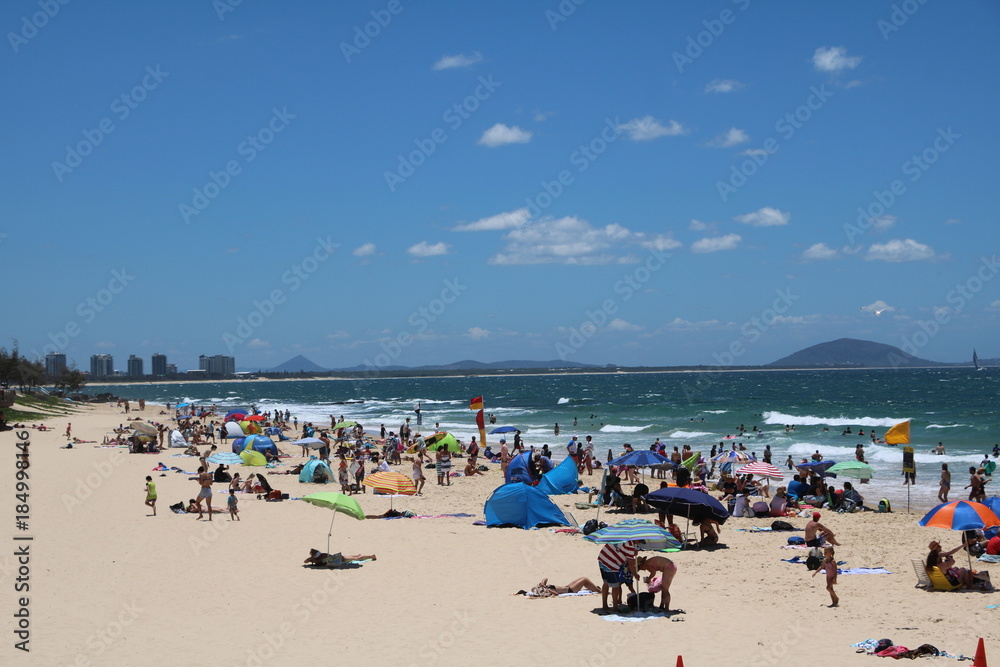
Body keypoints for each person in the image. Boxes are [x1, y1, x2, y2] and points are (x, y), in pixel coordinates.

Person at [597, 540, 638, 613]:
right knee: (615, 585)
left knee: (606, 583)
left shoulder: (619, 537)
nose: (639, 543)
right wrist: (635, 574)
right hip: (611, 563)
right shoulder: (630, 545)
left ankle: (604, 605)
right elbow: (631, 563)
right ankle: (615, 607)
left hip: (602, 557)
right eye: (640, 541)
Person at [524, 577, 601, 597]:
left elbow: (545, 578)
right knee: (584, 579)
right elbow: (556, 594)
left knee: (581, 578)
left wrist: (543, 583)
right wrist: (548, 590)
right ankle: (599, 591)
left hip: (567, 586)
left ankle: (596, 589)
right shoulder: (546, 592)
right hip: (571, 590)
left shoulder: (543, 587)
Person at [304, 549, 376, 567]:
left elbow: (315, 562)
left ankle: (372, 556)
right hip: (338, 556)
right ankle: (371, 556)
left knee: (357, 559)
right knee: (354, 557)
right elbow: (305, 561)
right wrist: (311, 559)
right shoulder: (323, 555)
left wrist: (311, 559)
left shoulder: (322, 557)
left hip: (338, 559)